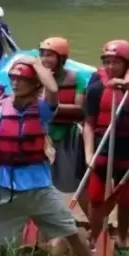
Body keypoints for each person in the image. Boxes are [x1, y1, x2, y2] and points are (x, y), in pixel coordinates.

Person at [0, 57, 94, 256]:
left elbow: (52, 90)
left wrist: (36, 64)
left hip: (38, 186)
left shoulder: (43, 109)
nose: (15, 83)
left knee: (69, 230)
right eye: (13, 78)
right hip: (4, 186)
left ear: (34, 84)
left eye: (22, 79)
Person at [83, 40, 129, 251]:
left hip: (127, 150)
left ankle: (122, 238)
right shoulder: (97, 85)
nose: (110, 66)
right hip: (102, 147)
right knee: (96, 198)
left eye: (115, 62)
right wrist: (88, 154)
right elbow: (88, 123)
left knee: (126, 200)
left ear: (126, 63)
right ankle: (95, 237)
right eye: (107, 61)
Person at [38, 37, 86, 200]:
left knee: (75, 182)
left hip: (67, 135)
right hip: (44, 134)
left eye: (50, 55)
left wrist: (52, 108)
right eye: (43, 54)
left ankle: (92, 220)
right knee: (41, 183)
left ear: (62, 59)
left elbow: (80, 110)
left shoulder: (76, 78)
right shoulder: (36, 78)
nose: (45, 59)